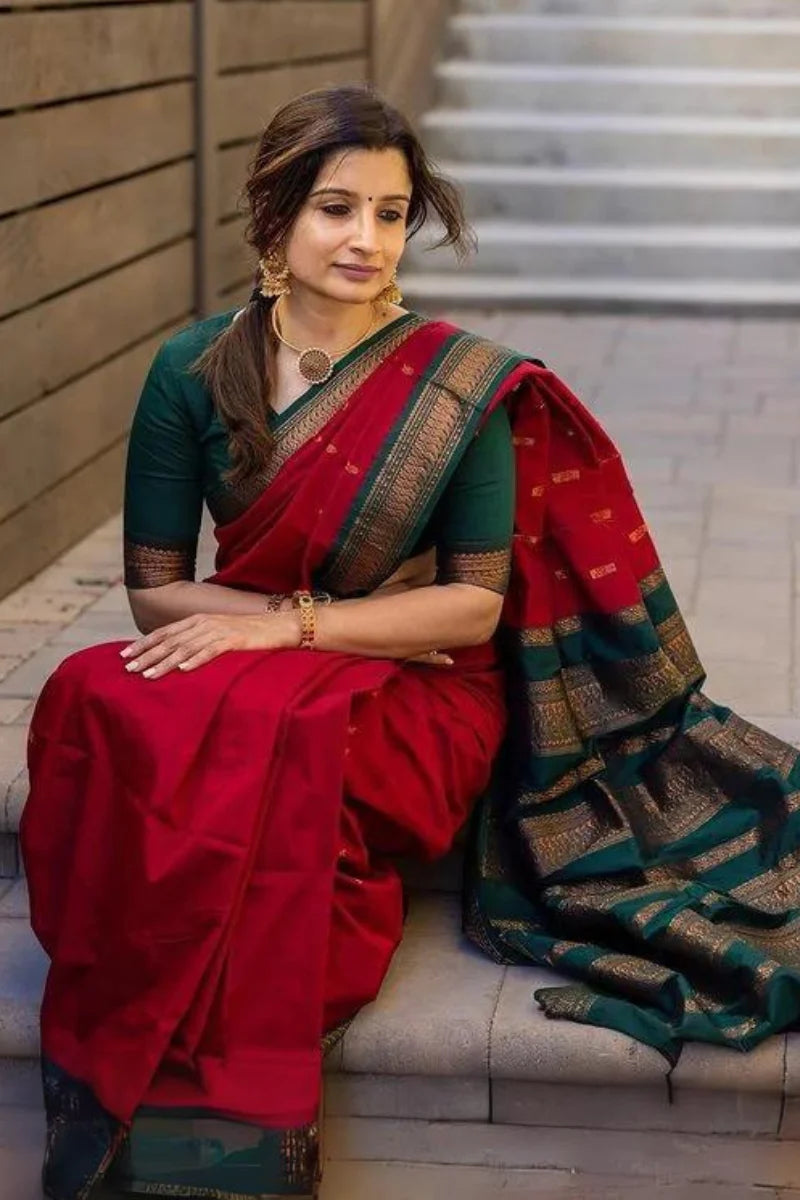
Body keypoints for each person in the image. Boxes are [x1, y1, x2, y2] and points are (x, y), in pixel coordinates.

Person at [21, 84, 800, 1200]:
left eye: (390, 214)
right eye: (337, 208)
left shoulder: (455, 384)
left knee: (262, 742)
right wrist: (278, 637)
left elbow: (470, 610)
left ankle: (231, 1121)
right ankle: (120, 1052)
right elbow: (155, 594)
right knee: (96, 694)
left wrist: (297, 632)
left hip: (422, 690)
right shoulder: (191, 371)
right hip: (292, 652)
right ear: (274, 217)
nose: (366, 239)